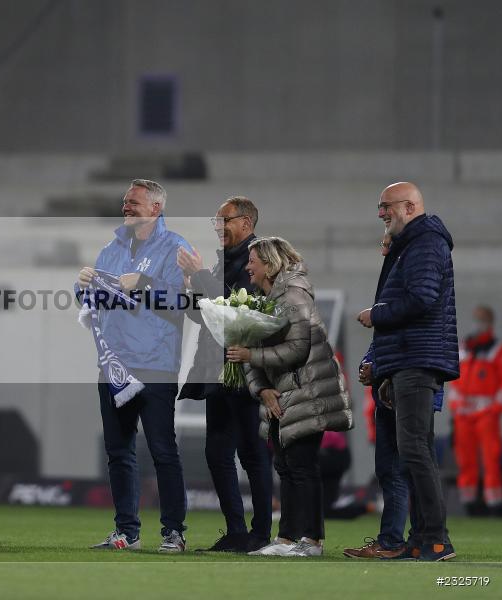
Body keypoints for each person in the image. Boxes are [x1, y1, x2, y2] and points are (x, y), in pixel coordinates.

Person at [77, 179, 191, 553]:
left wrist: (143, 282)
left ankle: (173, 531)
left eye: (134, 202)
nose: (126, 207)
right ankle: (127, 532)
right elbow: (99, 300)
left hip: (156, 364)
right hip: (114, 365)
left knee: (162, 450)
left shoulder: (175, 248)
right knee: (118, 452)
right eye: (125, 201)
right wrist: (84, 288)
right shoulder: (111, 249)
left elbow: (185, 302)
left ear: (156, 208)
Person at [228, 236, 352, 557]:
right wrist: (262, 389)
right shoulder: (262, 299)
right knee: (285, 465)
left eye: (253, 261)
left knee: (302, 465)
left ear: (269, 265)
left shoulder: (293, 296)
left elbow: (298, 349)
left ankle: (311, 541)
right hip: (282, 394)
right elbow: (252, 355)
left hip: (308, 391)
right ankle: (287, 539)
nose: (248, 268)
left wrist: (250, 356)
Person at [356, 181, 459, 561]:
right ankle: (419, 540)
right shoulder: (412, 244)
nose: (381, 213)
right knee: (413, 451)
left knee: (416, 451)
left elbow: (421, 298)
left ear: (410, 207)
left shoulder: (426, 242)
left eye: (386, 207)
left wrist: (376, 314)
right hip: (408, 357)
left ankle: (435, 539)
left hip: (418, 359)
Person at [176, 196, 273, 553]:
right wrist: (191, 286)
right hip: (216, 370)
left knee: (251, 452)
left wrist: (201, 276)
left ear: (246, 223)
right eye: (216, 223)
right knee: (217, 452)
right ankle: (236, 531)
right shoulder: (223, 262)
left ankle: (261, 534)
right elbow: (205, 316)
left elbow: (236, 310)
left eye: (225, 221)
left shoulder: (258, 258)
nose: (219, 228)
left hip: (244, 369)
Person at [449, 305, 502, 515]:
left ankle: (495, 503)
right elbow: (453, 378)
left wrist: (496, 407)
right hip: (464, 413)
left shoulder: (497, 349)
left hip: (486, 412)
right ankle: (470, 502)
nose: (479, 324)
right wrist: (455, 406)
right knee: (465, 459)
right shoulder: (465, 347)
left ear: (491, 323)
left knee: (491, 458)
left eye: (483, 320)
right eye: (477, 319)